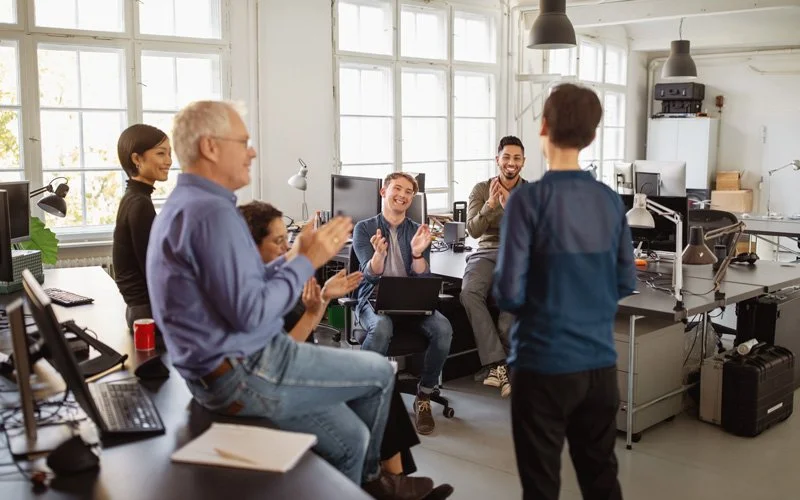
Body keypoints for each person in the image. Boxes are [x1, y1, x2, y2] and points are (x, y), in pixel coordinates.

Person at [146, 101, 433, 500]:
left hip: (220, 370)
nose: (252, 151)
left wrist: (293, 258)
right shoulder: (211, 214)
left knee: (350, 437)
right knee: (381, 373)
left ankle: (374, 483)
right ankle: (378, 486)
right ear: (210, 147)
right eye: (243, 142)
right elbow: (252, 312)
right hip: (244, 370)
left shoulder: (189, 206)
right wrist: (306, 262)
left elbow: (238, 289)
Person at [239, 201, 454, 499]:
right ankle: (385, 483)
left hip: (302, 359)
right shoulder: (253, 289)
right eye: (278, 240)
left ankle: (396, 481)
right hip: (290, 372)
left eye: (287, 238)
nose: (286, 246)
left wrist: (323, 297)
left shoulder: (280, 275)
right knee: (377, 377)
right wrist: (318, 305)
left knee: (383, 377)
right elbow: (281, 353)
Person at [493, 84, 634, 500]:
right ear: (591, 137)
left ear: (543, 128)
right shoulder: (610, 201)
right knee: (601, 481)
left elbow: (508, 292)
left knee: (542, 487)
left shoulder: (527, 201)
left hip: (543, 367)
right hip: (600, 369)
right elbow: (625, 281)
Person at [352, 173, 454, 436]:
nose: (403, 195)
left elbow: (423, 277)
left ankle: (425, 394)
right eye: (397, 188)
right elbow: (369, 275)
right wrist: (379, 255)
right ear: (383, 192)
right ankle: (365, 396)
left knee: (443, 328)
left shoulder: (417, 229)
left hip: (411, 302)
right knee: (382, 328)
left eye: (409, 191)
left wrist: (418, 253)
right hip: (373, 300)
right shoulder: (364, 228)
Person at [461, 135, 527, 398]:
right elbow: (474, 231)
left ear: (523, 162)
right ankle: (499, 364)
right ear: (497, 159)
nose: (511, 163)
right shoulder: (480, 189)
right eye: (506, 157)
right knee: (468, 293)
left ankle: (500, 365)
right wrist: (489, 206)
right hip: (486, 251)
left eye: (517, 158)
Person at [113, 124, 172, 332]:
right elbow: (153, 268)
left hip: (140, 311)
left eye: (169, 154)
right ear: (137, 159)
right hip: (147, 315)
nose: (169, 161)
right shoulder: (140, 204)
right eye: (160, 153)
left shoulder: (133, 198)